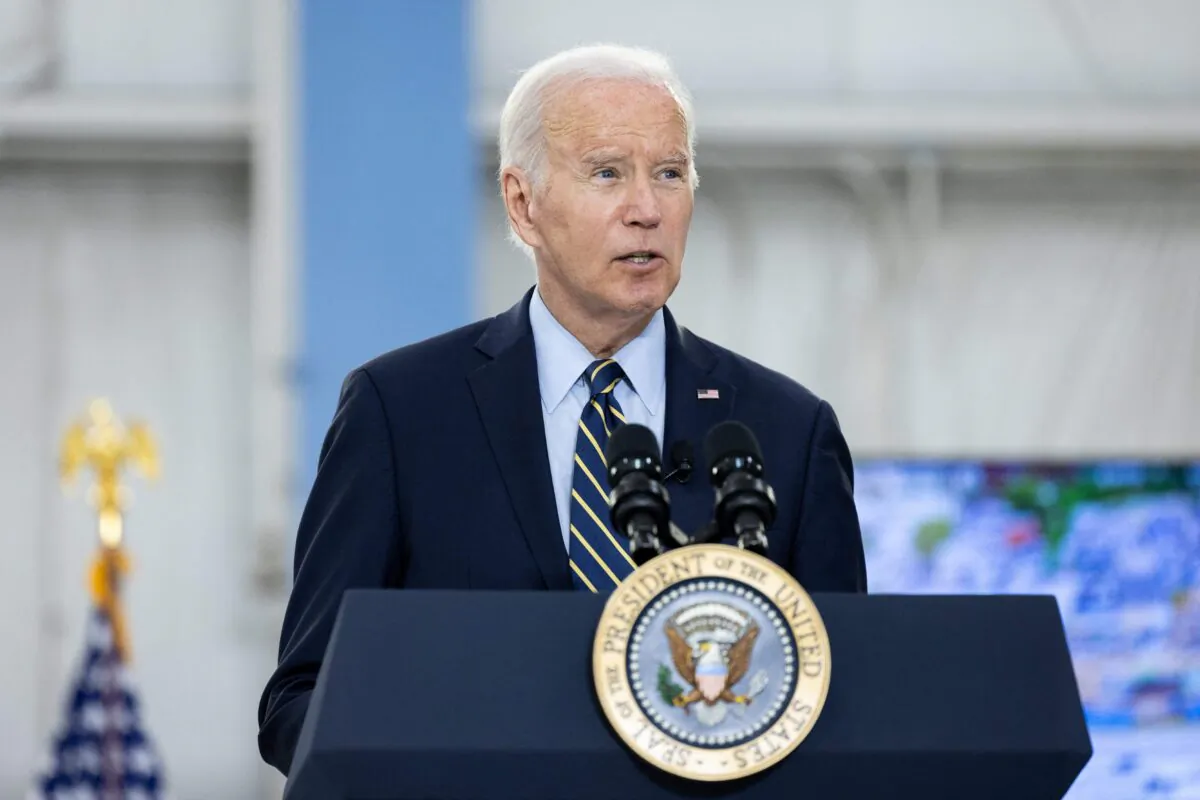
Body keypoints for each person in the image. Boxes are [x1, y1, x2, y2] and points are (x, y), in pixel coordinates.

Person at [257, 43, 867, 775]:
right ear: (524, 202)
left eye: (669, 174)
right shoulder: (401, 412)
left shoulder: (787, 432)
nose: (646, 210)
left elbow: (847, 711)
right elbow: (302, 700)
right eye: (608, 173)